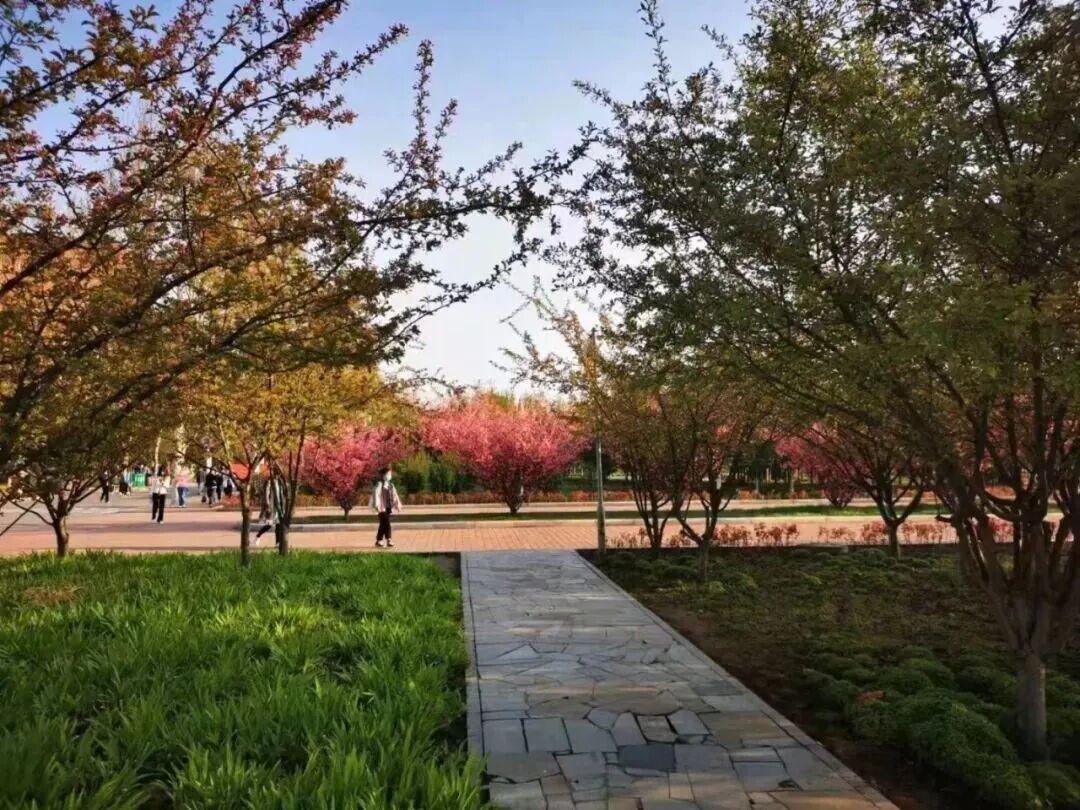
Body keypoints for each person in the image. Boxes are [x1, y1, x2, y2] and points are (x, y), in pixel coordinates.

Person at [371, 466, 401, 548]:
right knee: (387, 523)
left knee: (383, 524)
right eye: (387, 474)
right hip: (381, 507)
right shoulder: (379, 484)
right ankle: (389, 539)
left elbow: (395, 495)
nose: (389, 476)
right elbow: (375, 494)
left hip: (388, 507)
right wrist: (376, 505)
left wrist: (398, 505)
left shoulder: (391, 485)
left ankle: (378, 541)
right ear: (383, 475)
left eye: (390, 474)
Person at [253, 475, 286, 547]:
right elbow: (266, 494)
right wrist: (267, 505)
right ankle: (258, 536)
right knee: (269, 525)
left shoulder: (280, 482)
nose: (278, 476)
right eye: (276, 474)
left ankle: (277, 542)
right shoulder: (269, 482)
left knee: (278, 525)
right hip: (272, 506)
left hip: (279, 506)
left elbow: (282, 493)